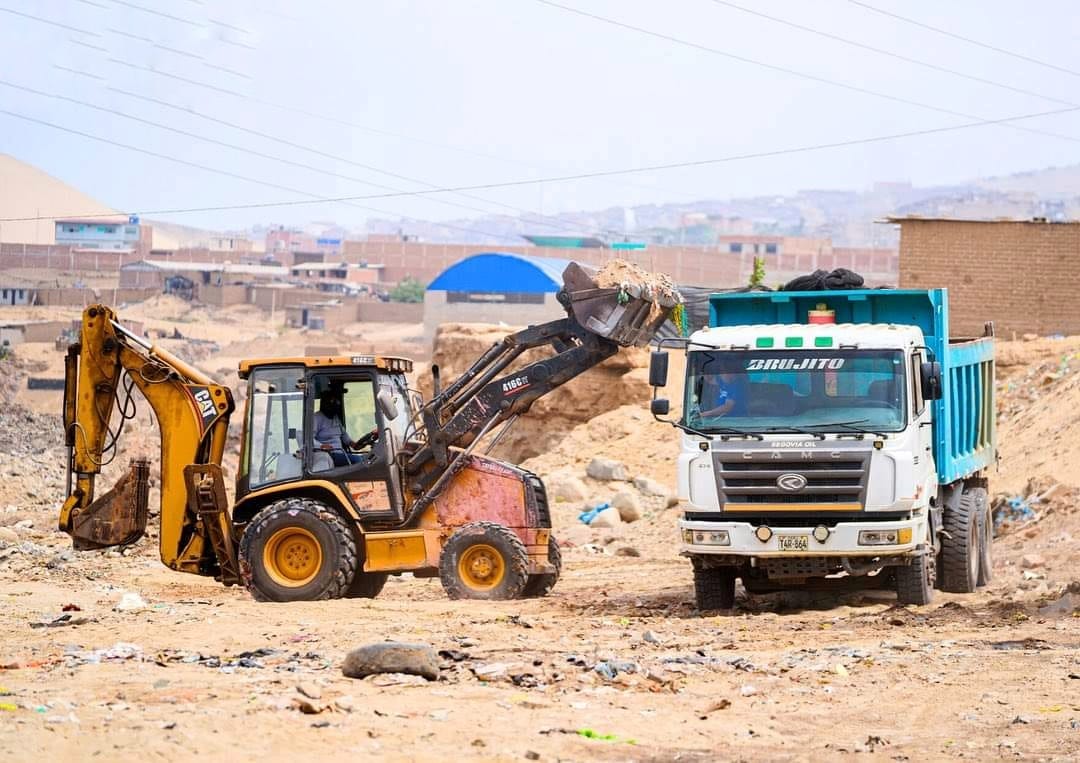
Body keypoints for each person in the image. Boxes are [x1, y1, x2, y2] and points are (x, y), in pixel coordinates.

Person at [313, 391, 369, 467]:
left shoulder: (336, 418)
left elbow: (346, 438)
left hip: (341, 453)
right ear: (325, 403)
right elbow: (309, 439)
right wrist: (321, 446)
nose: (336, 405)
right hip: (329, 455)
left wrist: (357, 445)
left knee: (368, 459)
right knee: (358, 460)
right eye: (332, 402)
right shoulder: (316, 418)